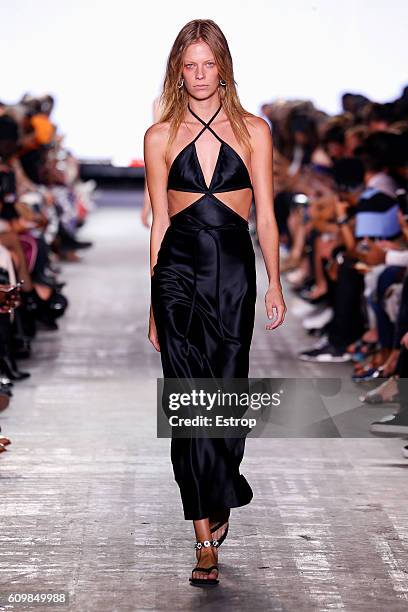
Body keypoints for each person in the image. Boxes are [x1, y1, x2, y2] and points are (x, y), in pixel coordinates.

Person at [144, 19, 285, 587]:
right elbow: (159, 223)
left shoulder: (255, 131)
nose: (200, 75)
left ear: (224, 66)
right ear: (178, 69)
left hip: (232, 273)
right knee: (186, 400)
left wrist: (275, 279)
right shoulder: (159, 135)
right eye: (190, 65)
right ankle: (203, 531)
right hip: (176, 271)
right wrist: (153, 303)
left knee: (225, 397)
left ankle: (221, 487)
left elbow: (268, 215)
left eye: (209, 64)